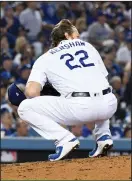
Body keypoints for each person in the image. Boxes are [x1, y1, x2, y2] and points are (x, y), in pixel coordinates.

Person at [9, 19, 117, 161]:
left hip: (80, 109)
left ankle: (64, 140)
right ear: (66, 35)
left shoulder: (46, 58)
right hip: (109, 105)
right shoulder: (88, 46)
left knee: (24, 108)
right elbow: (103, 78)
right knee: (99, 88)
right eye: (75, 32)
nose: (78, 35)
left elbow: (31, 93)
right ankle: (104, 136)